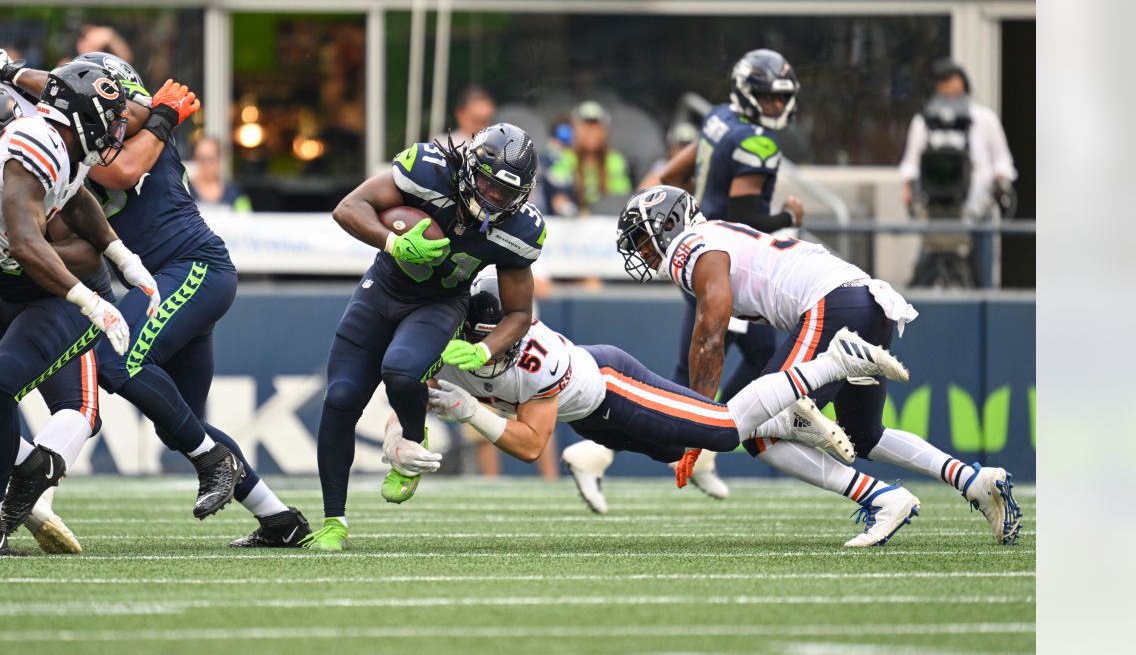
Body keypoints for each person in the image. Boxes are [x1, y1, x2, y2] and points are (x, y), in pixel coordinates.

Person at [0, 49, 310, 547]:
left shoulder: (131, 121)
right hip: (156, 281)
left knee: (118, 363)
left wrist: (158, 116)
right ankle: (281, 520)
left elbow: (115, 164)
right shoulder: (53, 138)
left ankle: (216, 465)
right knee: (183, 424)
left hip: (191, 268)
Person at [617, 186, 1024, 546]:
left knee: (755, 430)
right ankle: (974, 481)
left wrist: (698, 423)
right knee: (863, 435)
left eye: (641, 238)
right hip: (866, 302)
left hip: (832, 306)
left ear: (669, 224)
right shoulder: (717, 236)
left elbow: (710, 335)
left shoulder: (689, 247)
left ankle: (881, 497)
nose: (641, 250)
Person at [391, 277, 913, 529]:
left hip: (610, 385)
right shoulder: (445, 352)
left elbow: (530, 445)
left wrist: (465, 410)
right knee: (677, 452)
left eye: (508, 333)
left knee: (726, 429)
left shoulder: (537, 355)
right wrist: (398, 442)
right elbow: (401, 397)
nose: (500, 345)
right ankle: (780, 423)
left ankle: (834, 363)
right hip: (590, 416)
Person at [303, 124, 544, 551]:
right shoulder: (429, 172)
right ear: (471, 166)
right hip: (383, 290)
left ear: (522, 195)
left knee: (401, 370)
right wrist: (391, 242)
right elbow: (348, 207)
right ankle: (334, 522)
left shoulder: (518, 231)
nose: (491, 196)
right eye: (487, 180)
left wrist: (484, 347)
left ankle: (411, 439)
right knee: (340, 397)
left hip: (441, 302)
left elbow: (521, 311)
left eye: (505, 192)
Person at [0, 61, 160, 556]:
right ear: (80, 113)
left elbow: (75, 198)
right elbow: (25, 242)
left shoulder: (64, 146)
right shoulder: (39, 140)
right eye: (108, 119)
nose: (114, 131)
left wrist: (124, 259)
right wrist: (92, 301)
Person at [651, 49, 806, 497]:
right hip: (728, 264)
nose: (775, 107)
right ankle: (703, 436)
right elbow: (746, 214)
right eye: (766, 97)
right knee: (716, 363)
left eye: (780, 98)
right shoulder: (757, 142)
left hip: (700, 251)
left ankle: (705, 436)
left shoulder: (719, 118)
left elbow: (671, 173)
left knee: (741, 354)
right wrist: (787, 218)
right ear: (747, 93)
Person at [0, 82, 99, 554]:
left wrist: (31, 255)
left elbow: (82, 247)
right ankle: (26, 472)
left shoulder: (35, 160)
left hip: (50, 296)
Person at [899, 58, 1017, 287]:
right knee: (921, 283)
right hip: (937, 213)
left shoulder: (985, 119)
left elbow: (1003, 161)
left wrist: (999, 178)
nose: (952, 97)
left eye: (957, 91)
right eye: (946, 92)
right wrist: (907, 188)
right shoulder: (923, 122)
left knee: (983, 280)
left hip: (977, 211)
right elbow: (911, 163)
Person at [544, 101, 631, 216]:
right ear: (575, 130)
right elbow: (558, 195)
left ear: (605, 131)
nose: (591, 132)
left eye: (596, 126)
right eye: (585, 126)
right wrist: (571, 211)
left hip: (608, 223)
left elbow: (620, 198)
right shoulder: (564, 158)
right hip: (572, 226)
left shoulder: (615, 161)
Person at [190, 136, 251, 213]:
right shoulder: (183, 193)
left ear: (219, 160)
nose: (206, 164)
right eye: (201, 158)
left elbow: (246, 219)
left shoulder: (235, 194)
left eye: (210, 159)